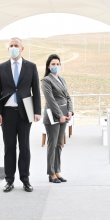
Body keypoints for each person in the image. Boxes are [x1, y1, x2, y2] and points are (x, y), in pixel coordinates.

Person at [0, 37, 41, 192]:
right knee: (9, 147)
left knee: (24, 147)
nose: (13, 48)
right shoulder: (1, 68)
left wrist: (37, 111)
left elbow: (36, 90)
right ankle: (9, 180)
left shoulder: (31, 67)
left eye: (16, 45)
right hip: (7, 113)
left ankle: (25, 179)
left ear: (22, 48)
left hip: (25, 112)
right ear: (8, 48)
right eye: (11, 46)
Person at [41, 54, 73, 183]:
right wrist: (59, 115)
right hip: (53, 116)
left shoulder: (62, 80)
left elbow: (68, 97)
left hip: (64, 115)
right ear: (48, 66)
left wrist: (70, 111)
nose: (56, 66)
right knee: (52, 144)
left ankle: (57, 171)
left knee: (59, 144)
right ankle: (51, 173)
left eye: (58, 64)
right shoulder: (46, 81)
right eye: (53, 64)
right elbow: (50, 100)